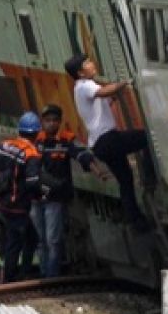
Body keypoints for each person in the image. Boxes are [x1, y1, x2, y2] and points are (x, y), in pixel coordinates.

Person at [66, 55, 154, 230]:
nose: (93, 64)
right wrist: (124, 82)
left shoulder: (83, 88)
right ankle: (151, 177)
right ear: (80, 72)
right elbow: (104, 92)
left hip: (100, 145)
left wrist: (116, 91)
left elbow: (108, 98)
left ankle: (135, 221)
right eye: (88, 63)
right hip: (107, 139)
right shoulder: (85, 86)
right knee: (148, 138)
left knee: (126, 180)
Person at [34, 103, 102, 277]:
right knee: (41, 240)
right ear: (42, 122)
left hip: (55, 199)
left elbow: (82, 154)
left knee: (52, 239)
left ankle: (52, 276)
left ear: (59, 122)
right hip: (35, 198)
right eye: (47, 120)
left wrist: (96, 170)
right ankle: (44, 273)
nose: (51, 124)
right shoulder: (36, 141)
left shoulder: (66, 140)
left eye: (54, 120)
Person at [0, 112, 43, 283]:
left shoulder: (6, 145)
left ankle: (22, 272)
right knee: (16, 242)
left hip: (5, 202)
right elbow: (33, 183)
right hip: (19, 205)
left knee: (30, 237)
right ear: (36, 134)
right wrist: (42, 194)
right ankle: (10, 277)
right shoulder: (31, 154)